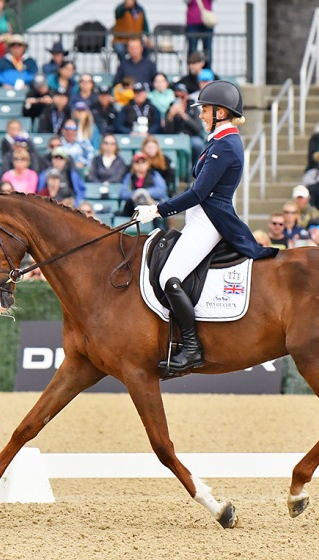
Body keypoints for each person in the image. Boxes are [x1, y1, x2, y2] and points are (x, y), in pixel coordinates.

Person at [131, 81, 278, 376]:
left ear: (221, 112)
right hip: (201, 217)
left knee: (170, 278)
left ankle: (191, 348)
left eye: (206, 109)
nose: (200, 115)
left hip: (211, 219)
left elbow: (198, 193)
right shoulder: (218, 140)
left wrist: (157, 209)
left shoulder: (225, 145)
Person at [163, 83, 205, 163]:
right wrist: (170, 116)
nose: (179, 99)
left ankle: (195, 171)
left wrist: (184, 116)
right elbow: (167, 131)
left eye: (182, 97)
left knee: (197, 144)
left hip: (190, 136)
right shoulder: (170, 108)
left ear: (187, 96)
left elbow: (198, 128)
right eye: (176, 97)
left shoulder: (193, 108)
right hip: (175, 136)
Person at [119, 151, 166, 217]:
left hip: (150, 205)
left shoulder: (154, 175)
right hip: (133, 206)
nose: (140, 165)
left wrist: (146, 192)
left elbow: (161, 190)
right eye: (137, 162)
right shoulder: (129, 177)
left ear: (148, 164)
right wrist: (135, 193)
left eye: (143, 162)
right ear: (133, 164)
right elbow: (123, 193)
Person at [186, 0, 214, 66]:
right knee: (192, 49)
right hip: (192, 22)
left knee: (207, 49)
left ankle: (207, 71)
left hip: (207, 22)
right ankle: (192, 70)